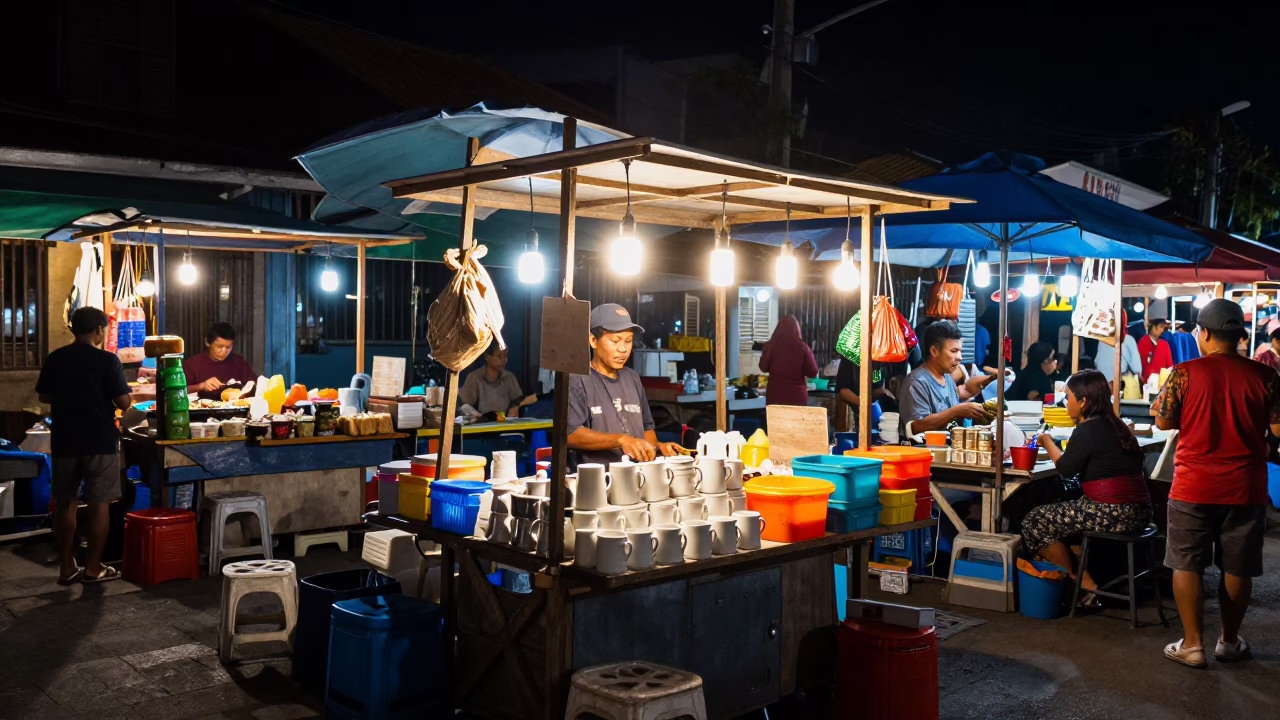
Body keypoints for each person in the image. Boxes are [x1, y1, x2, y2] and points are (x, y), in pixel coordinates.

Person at [1152, 299, 1280, 669]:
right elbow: (1278, 429)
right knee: (1237, 567)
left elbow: (1162, 421)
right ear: (1238, 335)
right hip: (1246, 487)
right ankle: (1228, 641)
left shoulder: (1184, 373)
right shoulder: (1266, 376)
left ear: (1204, 333)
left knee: (1187, 564)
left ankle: (1193, 645)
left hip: (1194, 485)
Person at [1023, 370, 1151, 600]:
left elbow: (1065, 468)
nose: (1066, 402)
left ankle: (1081, 582)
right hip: (1140, 512)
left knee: (1035, 520)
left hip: (1113, 513)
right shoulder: (1118, 425)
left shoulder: (1087, 429)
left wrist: (1046, 440)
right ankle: (1085, 581)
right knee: (1066, 510)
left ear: (1083, 401)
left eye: (1069, 397)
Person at [35, 307, 132, 584]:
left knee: (66, 503)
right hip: (99, 440)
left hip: (65, 439)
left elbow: (44, 395)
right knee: (99, 504)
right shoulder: (107, 360)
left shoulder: (56, 358)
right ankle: (93, 568)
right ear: (99, 330)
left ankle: (66, 567)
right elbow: (124, 402)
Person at [568, 304, 680, 464]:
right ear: (593, 340)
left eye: (628, 341)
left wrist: (656, 447)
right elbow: (570, 435)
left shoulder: (632, 378)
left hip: (638, 475)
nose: (623, 349)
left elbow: (647, 427)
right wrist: (621, 440)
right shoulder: (577, 379)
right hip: (599, 479)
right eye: (615, 341)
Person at [898, 320, 998, 439]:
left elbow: (966, 389)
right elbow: (916, 426)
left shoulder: (947, 377)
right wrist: (955, 411)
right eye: (953, 351)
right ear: (934, 351)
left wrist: (992, 378)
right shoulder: (916, 382)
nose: (959, 357)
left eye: (960, 351)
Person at [183, 322, 257, 399]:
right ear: (207, 342)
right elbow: (179, 391)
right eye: (219, 347)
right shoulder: (193, 364)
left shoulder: (238, 362)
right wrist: (201, 386)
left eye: (228, 347)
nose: (224, 351)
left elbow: (255, 385)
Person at [759, 315, 818, 406]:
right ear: (797, 330)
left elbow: (763, 367)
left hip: (775, 396)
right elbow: (813, 372)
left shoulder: (770, 346)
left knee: (775, 420)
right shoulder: (803, 348)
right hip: (797, 397)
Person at [459, 341, 530, 416]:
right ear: (487, 356)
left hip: (505, 422)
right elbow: (465, 405)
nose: (503, 360)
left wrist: (516, 408)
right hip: (481, 423)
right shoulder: (474, 378)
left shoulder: (509, 377)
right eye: (499, 356)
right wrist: (475, 414)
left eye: (505, 355)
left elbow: (518, 401)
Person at [1137, 318, 1173, 382]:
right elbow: (1140, 363)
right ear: (1153, 327)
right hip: (1147, 382)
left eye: (1163, 328)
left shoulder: (1164, 344)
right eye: (1161, 327)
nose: (1162, 330)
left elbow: (1170, 365)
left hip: (1162, 381)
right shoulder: (1143, 342)